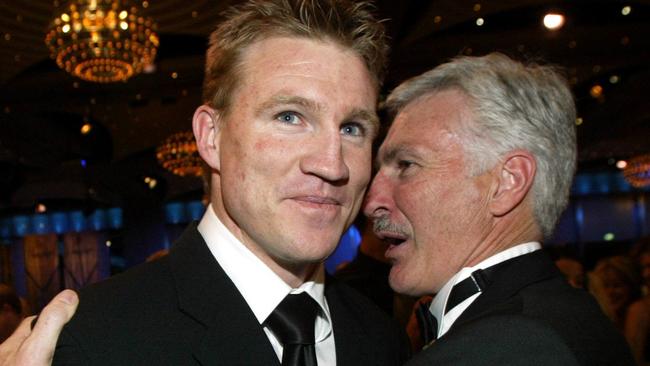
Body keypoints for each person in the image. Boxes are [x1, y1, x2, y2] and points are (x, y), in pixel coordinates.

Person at [44, 0, 407, 365]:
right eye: (289, 117)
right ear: (211, 136)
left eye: (352, 128)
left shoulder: (382, 339)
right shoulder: (93, 343)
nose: (332, 164)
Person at [364, 53, 635, 365]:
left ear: (508, 182)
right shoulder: (577, 318)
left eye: (407, 165)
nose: (372, 203)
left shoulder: (495, 350)